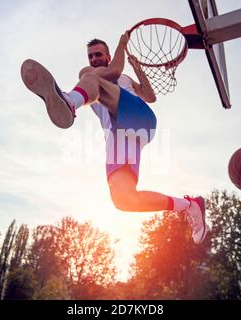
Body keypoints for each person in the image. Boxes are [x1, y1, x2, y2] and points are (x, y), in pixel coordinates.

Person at [21, 31, 209, 244]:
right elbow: (112, 71)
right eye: (90, 56)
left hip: (138, 118)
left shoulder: (118, 77)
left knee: (94, 81)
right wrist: (120, 47)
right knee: (124, 200)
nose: (94, 59)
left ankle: (70, 101)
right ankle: (190, 205)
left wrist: (136, 67)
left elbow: (150, 96)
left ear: (108, 56)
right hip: (118, 137)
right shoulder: (88, 75)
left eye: (98, 54)